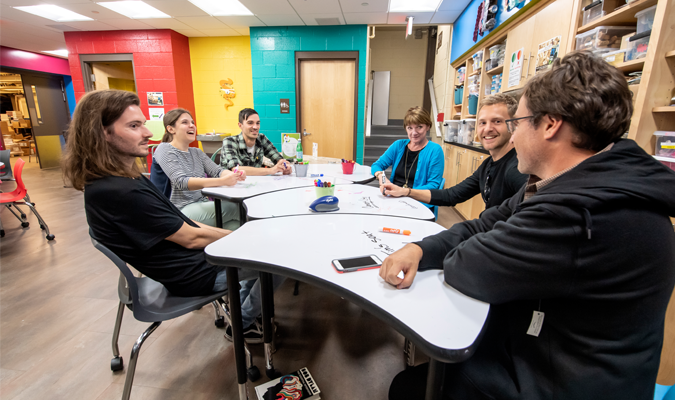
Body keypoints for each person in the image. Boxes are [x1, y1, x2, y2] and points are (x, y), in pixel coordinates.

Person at [380, 51, 675, 399]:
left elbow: (470, 267)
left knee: (409, 388)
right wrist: (420, 247)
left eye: (516, 123)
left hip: (560, 382)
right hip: (545, 349)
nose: (512, 136)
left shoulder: (580, 210)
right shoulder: (572, 181)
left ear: (550, 124)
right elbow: (483, 225)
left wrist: (456, 249)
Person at [62, 90, 280, 343]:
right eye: (134, 126)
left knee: (259, 242)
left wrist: (244, 238)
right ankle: (242, 321)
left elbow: (184, 224)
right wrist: (245, 238)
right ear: (102, 133)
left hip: (194, 262)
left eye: (143, 124)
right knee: (283, 260)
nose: (147, 133)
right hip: (195, 273)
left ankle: (241, 311)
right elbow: (190, 237)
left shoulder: (122, 181)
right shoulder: (116, 191)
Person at [382, 94, 526, 212]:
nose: (487, 129)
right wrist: (405, 191)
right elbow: (452, 195)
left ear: (514, 125)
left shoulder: (518, 169)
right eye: (482, 123)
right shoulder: (488, 165)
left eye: (497, 121)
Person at [153, 108, 244, 229]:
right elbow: (182, 182)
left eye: (192, 122)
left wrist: (233, 175)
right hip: (177, 210)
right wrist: (222, 181)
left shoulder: (196, 152)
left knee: (236, 227)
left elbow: (217, 171)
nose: (192, 126)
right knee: (238, 208)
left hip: (201, 204)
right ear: (170, 129)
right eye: (185, 122)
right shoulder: (164, 149)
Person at [371, 107, 444, 208]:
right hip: (393, 199)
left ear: (428, 126)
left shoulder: (435, 150)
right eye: (410, 128)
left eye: (419, 127)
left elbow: (433, 185)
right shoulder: (398, 145)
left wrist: (404, 192)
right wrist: (381, 178)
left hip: (418, 203)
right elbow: (377, 165)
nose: (414, 133)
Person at [221, 108, 293, 176]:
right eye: (250, 123)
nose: (255, 127)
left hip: (255, 184)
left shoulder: (261, 138)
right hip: (232, 186)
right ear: (240, 125)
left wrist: (284, 166)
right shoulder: (229, 141)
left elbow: (277, 157)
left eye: (257, 123)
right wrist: (271, 170)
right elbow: (237, 169)